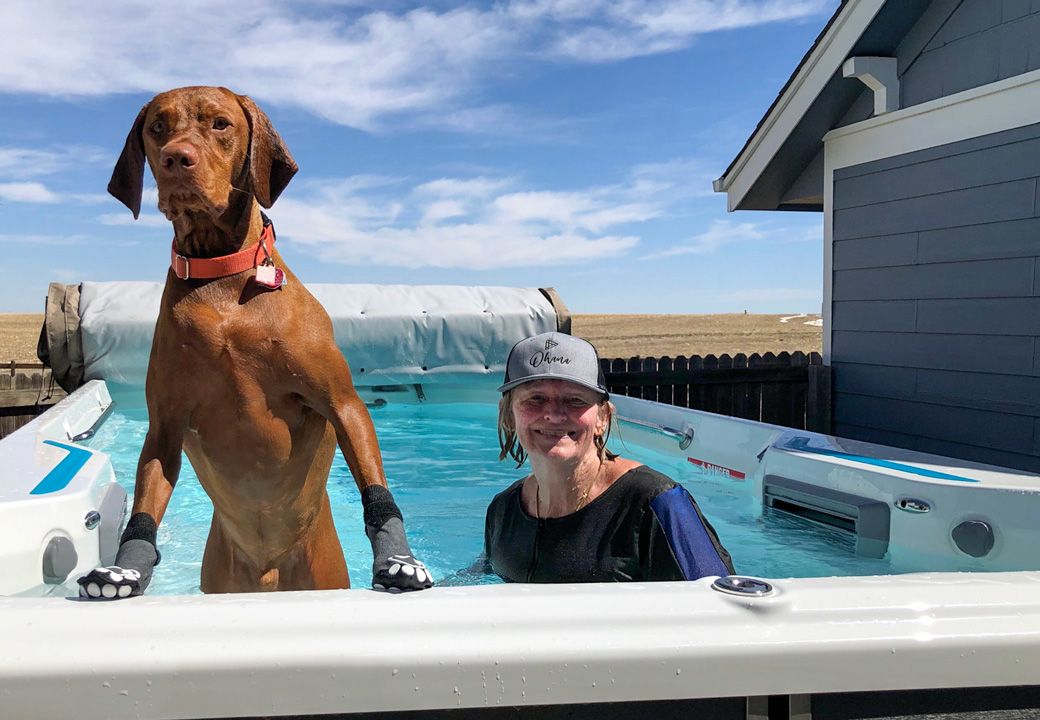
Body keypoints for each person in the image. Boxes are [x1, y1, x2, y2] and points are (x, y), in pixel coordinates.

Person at [484, 331, 734, 583]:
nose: (554, 415)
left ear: (603, 418)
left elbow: (720, 606)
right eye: (535, 398)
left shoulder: (658, 505)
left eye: (574, 400)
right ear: (509, 416)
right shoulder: (503, 511)